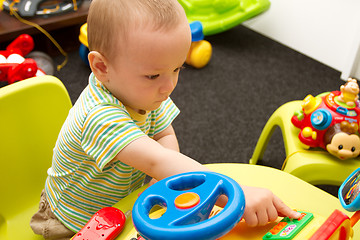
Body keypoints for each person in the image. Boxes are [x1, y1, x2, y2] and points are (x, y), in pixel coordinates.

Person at [30, 0, 300, 239]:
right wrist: (235, 191)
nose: (169, 86)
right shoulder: (98, 115)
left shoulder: (145, 92)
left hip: (127, 201)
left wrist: (162, 182)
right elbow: (157, 160)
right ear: (102, 67)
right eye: (153, 75)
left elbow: (164, 137)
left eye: (177, 68)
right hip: (75, 219)